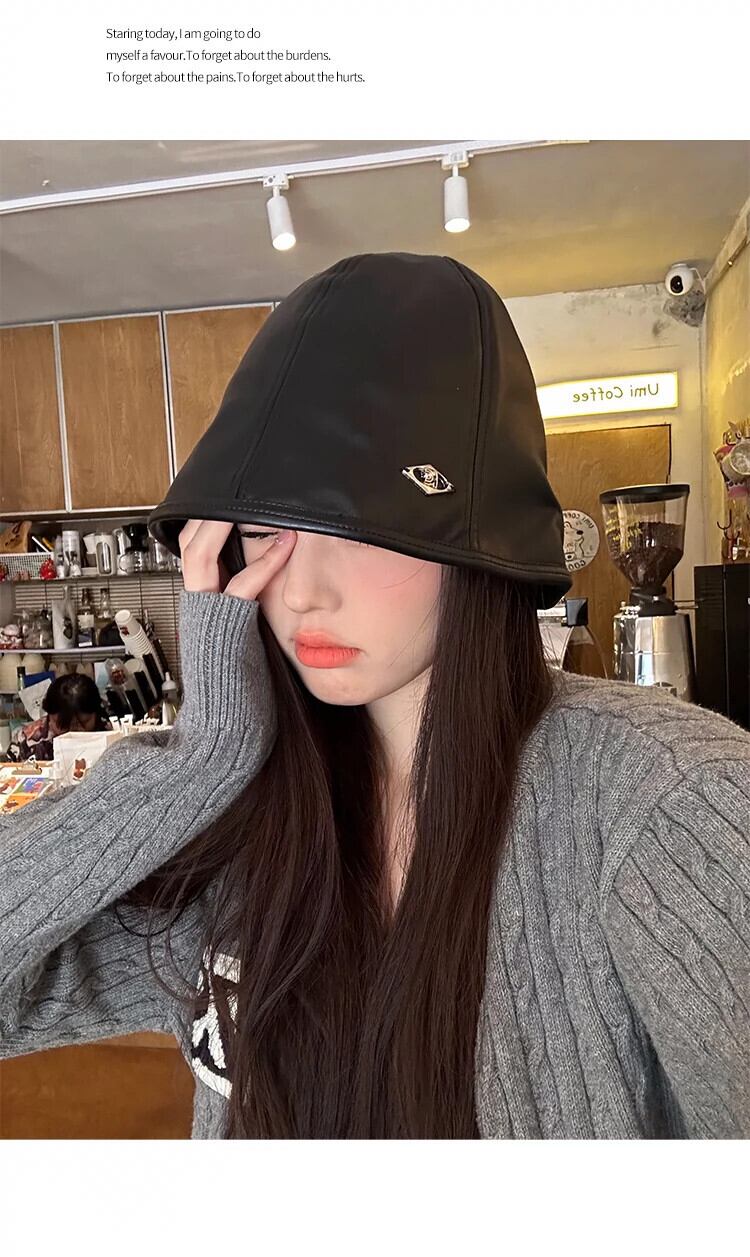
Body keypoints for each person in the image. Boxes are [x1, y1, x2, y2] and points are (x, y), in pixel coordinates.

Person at [1, 253, 748, 1141]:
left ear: (480, 539)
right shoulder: (248, 828)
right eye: (266, 530)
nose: (303, 591)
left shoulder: (666, 801)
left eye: (360, 529)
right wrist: (199, 760)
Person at [7, 673, 112, 763]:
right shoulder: (26, 741)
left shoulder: (111, 732)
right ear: (49, 716)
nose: (75, 733)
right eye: (64, 726)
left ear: (96, 713)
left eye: (84, 722)